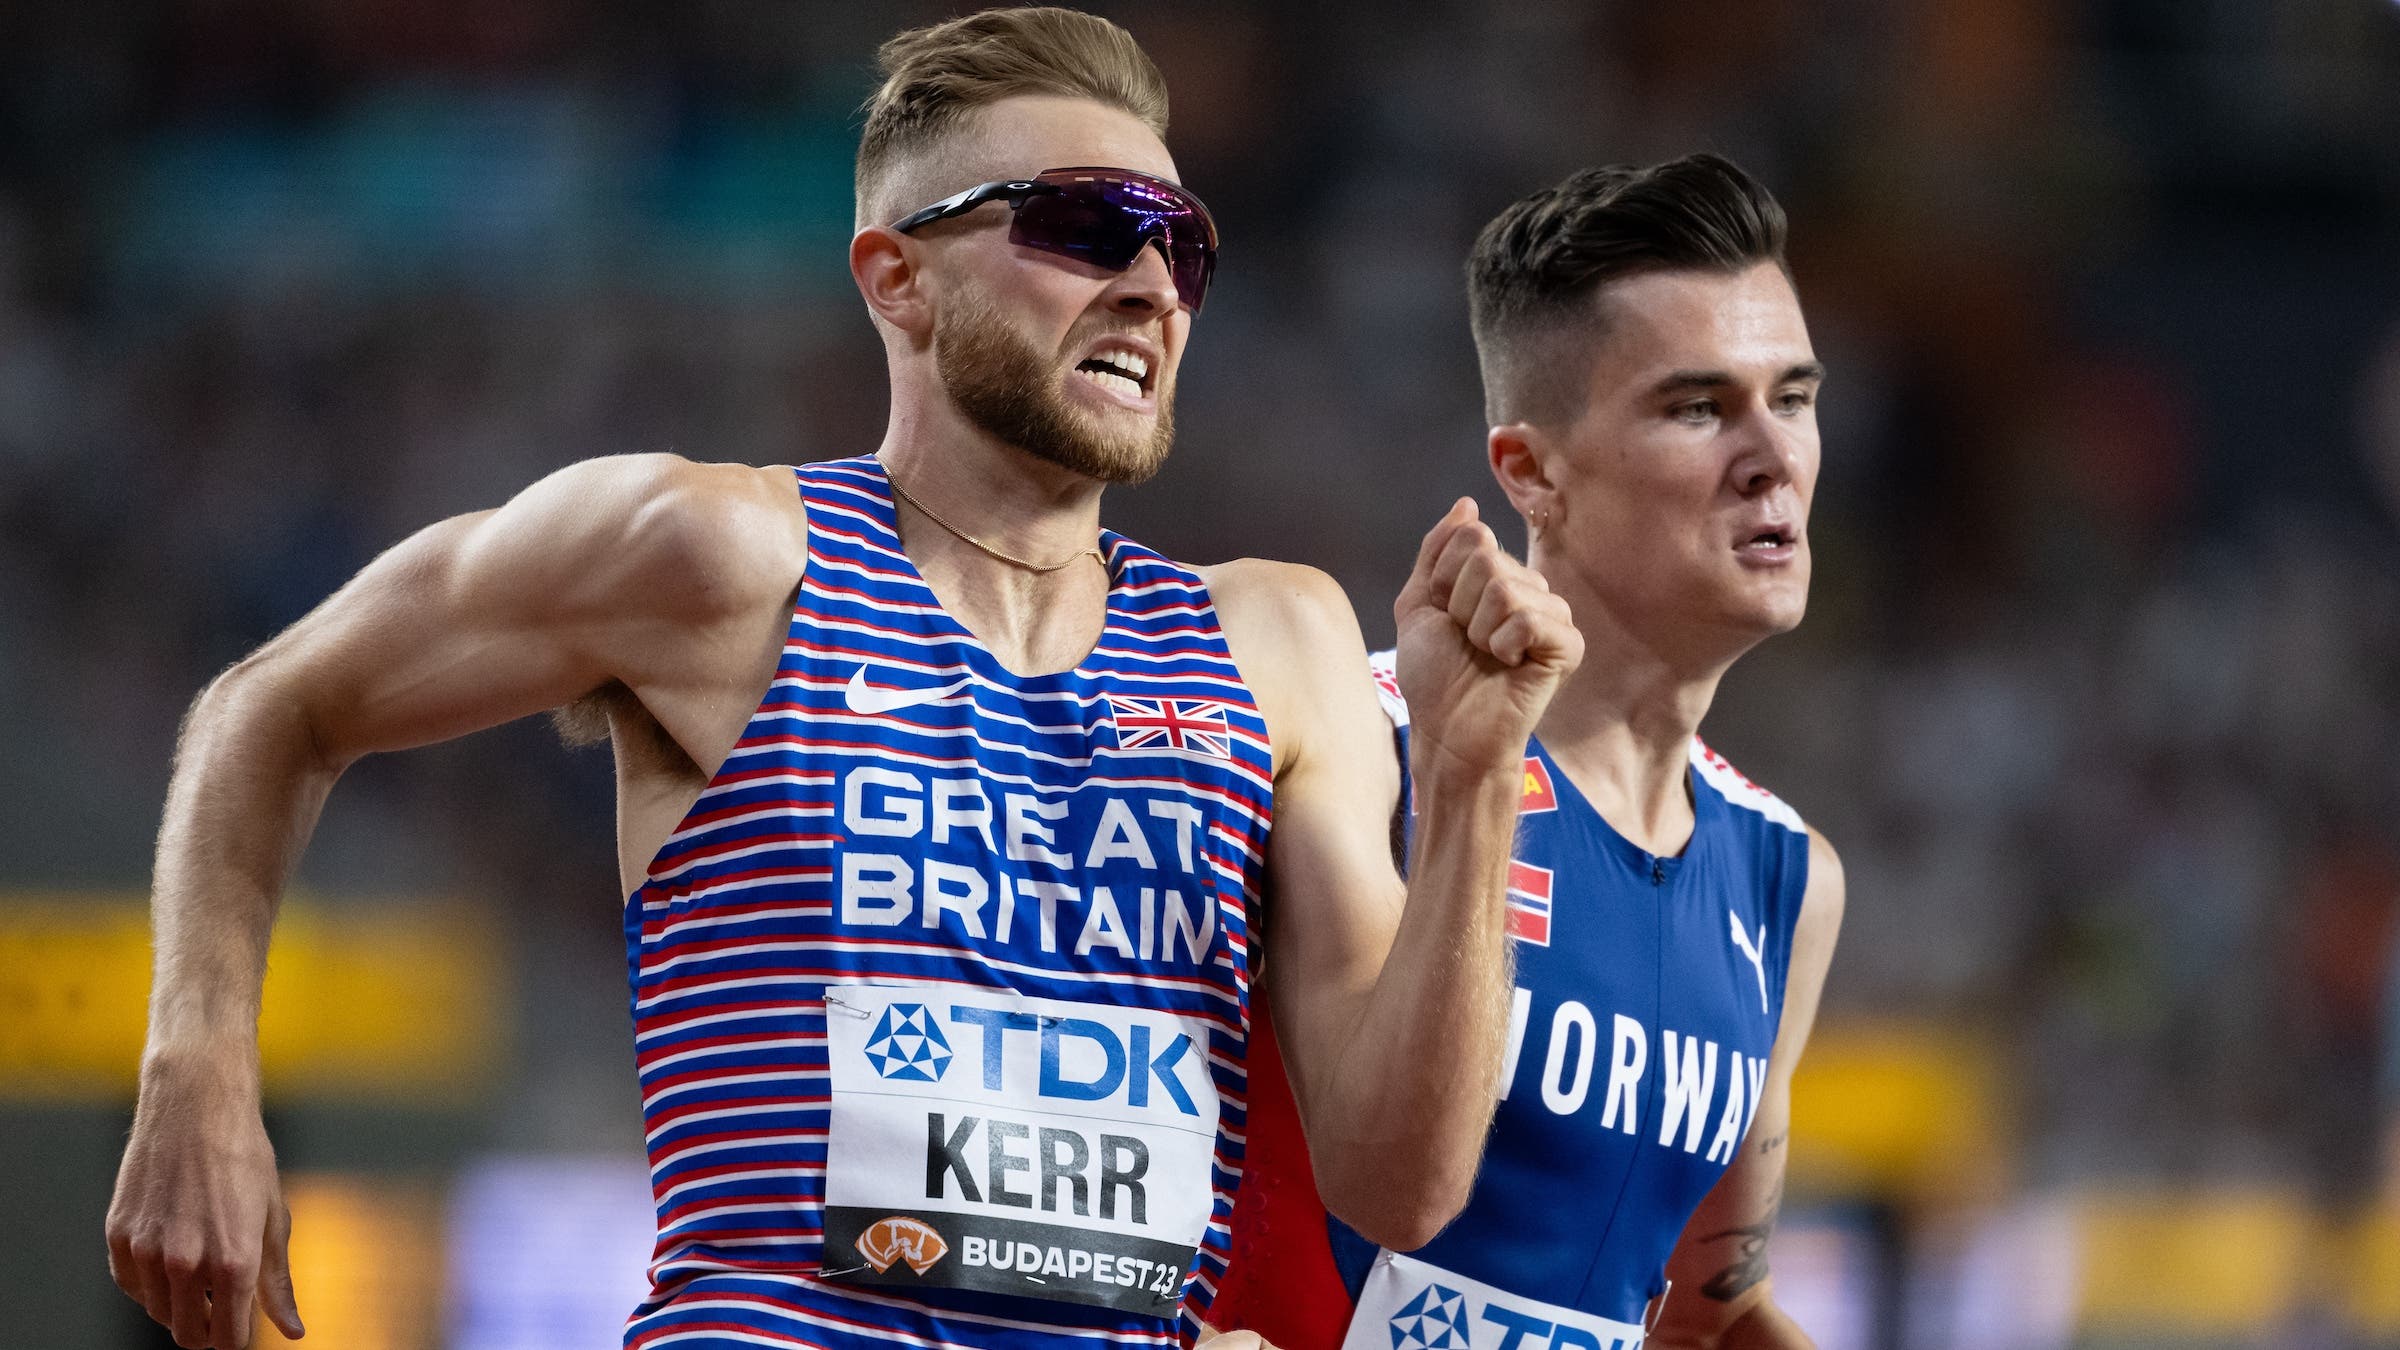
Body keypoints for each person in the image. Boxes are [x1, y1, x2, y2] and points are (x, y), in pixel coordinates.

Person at [101, 9, 1583, 1350]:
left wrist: (1469, 784)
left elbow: (1400, 1182)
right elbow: (270, 705)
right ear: (899, 278)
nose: (1149, 280)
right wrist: (197, 1070)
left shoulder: (1278, 642)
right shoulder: (723, 557)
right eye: (1085, 225)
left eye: (1181, 243)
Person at [1210, 155, 1847, 1350]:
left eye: (1796, 398)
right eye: (1699, 407)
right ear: (1531, 472)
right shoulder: (1342, 740)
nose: (1773, 455)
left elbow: (1709, 1316)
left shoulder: (1786, 880)